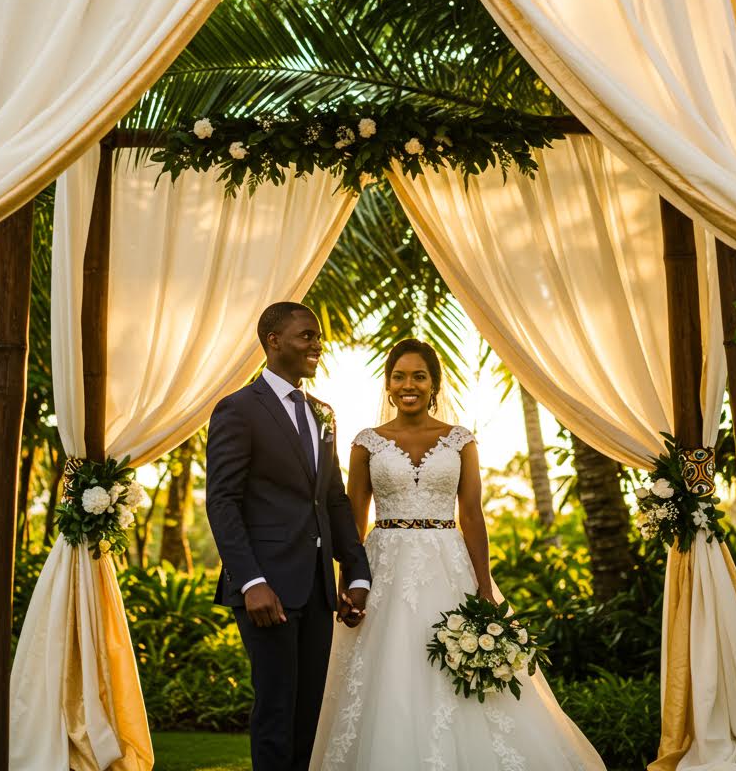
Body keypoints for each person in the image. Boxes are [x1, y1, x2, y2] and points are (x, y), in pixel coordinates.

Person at [310, 338, 606, 771]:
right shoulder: (366, 442)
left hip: (448, 564)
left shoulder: (459, 440)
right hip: (384, 562)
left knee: (456, 665)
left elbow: (472, 515)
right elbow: (355, 519)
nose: (407, 384)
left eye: (418, 376)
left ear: (434, 384)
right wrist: (349, 581)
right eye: (399, 376)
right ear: (388, 385)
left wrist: (484, 585)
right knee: (384, 672)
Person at [207, 301, 371, 771]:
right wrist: (251, 581)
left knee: (309, 719)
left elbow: (333, 499)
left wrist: (356, 572)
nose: (316, 345)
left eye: (318, 337)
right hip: (267, 590)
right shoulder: (238, 409)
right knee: (277, 713)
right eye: (307, 335)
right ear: (273, 341)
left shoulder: (324, 414)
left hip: (318, 590)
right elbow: (222, 502)